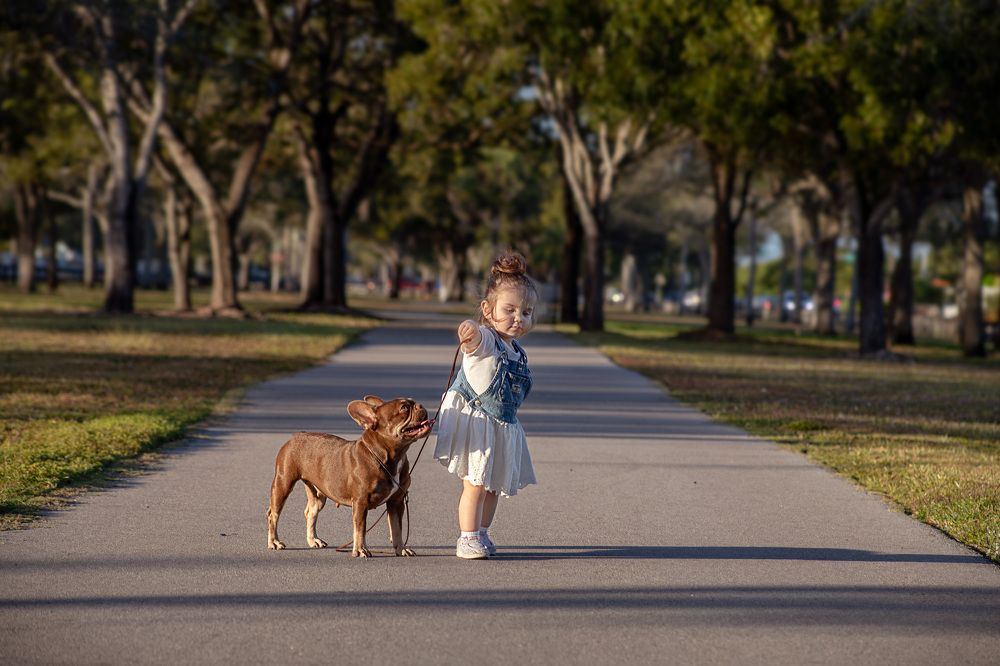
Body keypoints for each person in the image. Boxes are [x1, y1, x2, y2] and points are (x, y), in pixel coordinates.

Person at [434, 251, 538, 559]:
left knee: (494, 487)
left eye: (527, 311)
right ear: (488, 310)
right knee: (477, 484)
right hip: (479, 426)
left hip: (502, 426)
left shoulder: (517, 350)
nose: (519, 318)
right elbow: (474, 338)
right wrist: (470, 329)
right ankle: (466, 537)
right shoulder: (487, 341)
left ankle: (481, 531)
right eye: (509, 310)